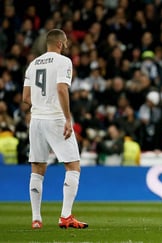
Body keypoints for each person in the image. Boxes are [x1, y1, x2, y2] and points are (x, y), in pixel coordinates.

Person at [22, 29, 88, 229]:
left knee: (37, 168)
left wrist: (40, 104)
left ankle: (36, 219)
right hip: (56, 119)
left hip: (36, 120)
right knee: (73, 166)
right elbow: (61, 88)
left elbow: (26, 99)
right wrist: (68, 118)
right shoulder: (64, 62)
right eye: (66, 42)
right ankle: (65, 216)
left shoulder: (33, 65)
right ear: (60, 43)